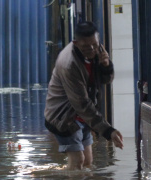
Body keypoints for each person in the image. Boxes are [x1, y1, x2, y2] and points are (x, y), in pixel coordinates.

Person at [44, 20, 124, 169]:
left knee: (88, 162)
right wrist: (108, 131)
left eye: (94, 44)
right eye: (86, 47)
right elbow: (81, 103)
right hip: (63, 117)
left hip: (84, 117)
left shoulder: (97, 51)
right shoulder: (69, 64)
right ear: (75, 43)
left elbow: (105, 80)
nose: (92, 49)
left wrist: (105, 65)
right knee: (77, 162)